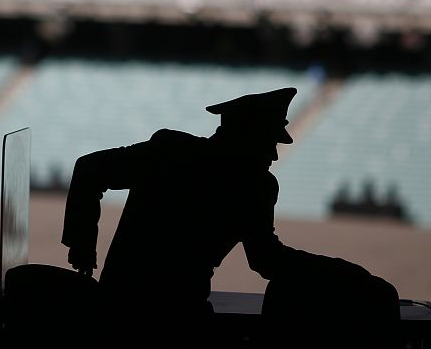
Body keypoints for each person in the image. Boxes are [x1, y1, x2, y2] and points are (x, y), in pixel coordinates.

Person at [61, 87, 388, 346]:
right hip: (182, 320)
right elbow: (267, 259)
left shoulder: (169, 152)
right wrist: (341, 271)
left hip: (121, 312)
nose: (274, 155)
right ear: (247, 137)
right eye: (269, 143)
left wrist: (82, 246)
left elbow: (89, 169)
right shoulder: (255, 186)